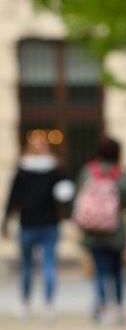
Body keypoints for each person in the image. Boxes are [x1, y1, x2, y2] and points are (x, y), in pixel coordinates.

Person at [73, 136, 126, 325]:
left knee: (99, 271)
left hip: (92, 231)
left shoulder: (87, 171)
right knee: (117, 271)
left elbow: (77, 199)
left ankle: (101, 309)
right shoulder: (123, 175)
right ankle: (118, 308)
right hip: (115, 232)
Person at [3, 130, 74, 318]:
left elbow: (12, 198)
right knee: (48, 265)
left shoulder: (23, 170)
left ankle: (26, 304)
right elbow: (66, 193)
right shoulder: (55, 170)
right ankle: (48, 305)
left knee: (27, 266)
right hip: (49, 223)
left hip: (28, 224)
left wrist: (5, 223)